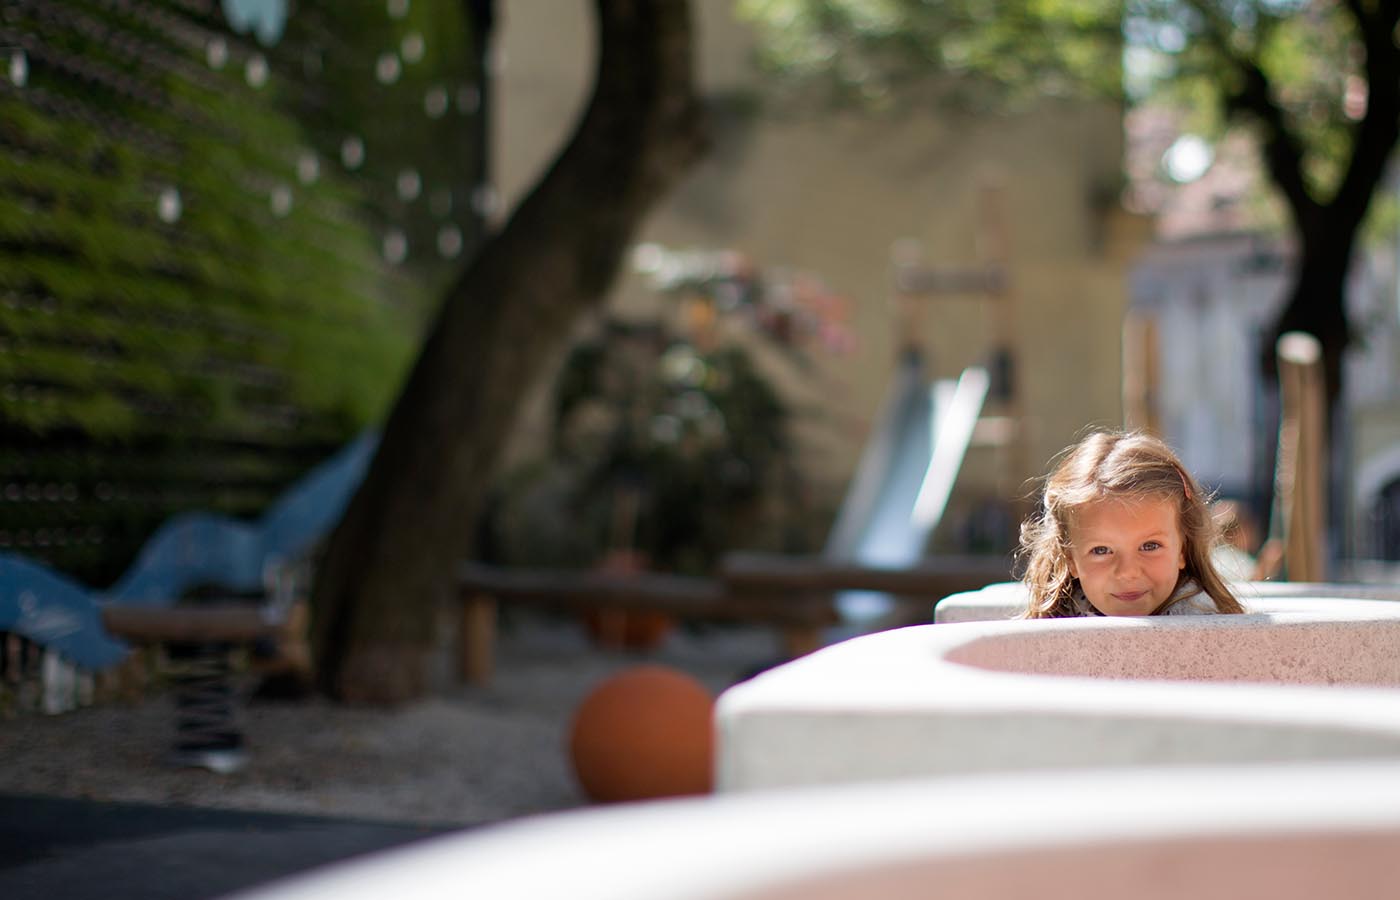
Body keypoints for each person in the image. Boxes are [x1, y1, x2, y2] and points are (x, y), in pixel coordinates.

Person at [1018, 429, 1245, 618]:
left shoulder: (1205, 626)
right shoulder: (1058, 622)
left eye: (1150, 546)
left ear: (1182, 550)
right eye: (1101, 550)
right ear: (1070, 559)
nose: (1128, 572)